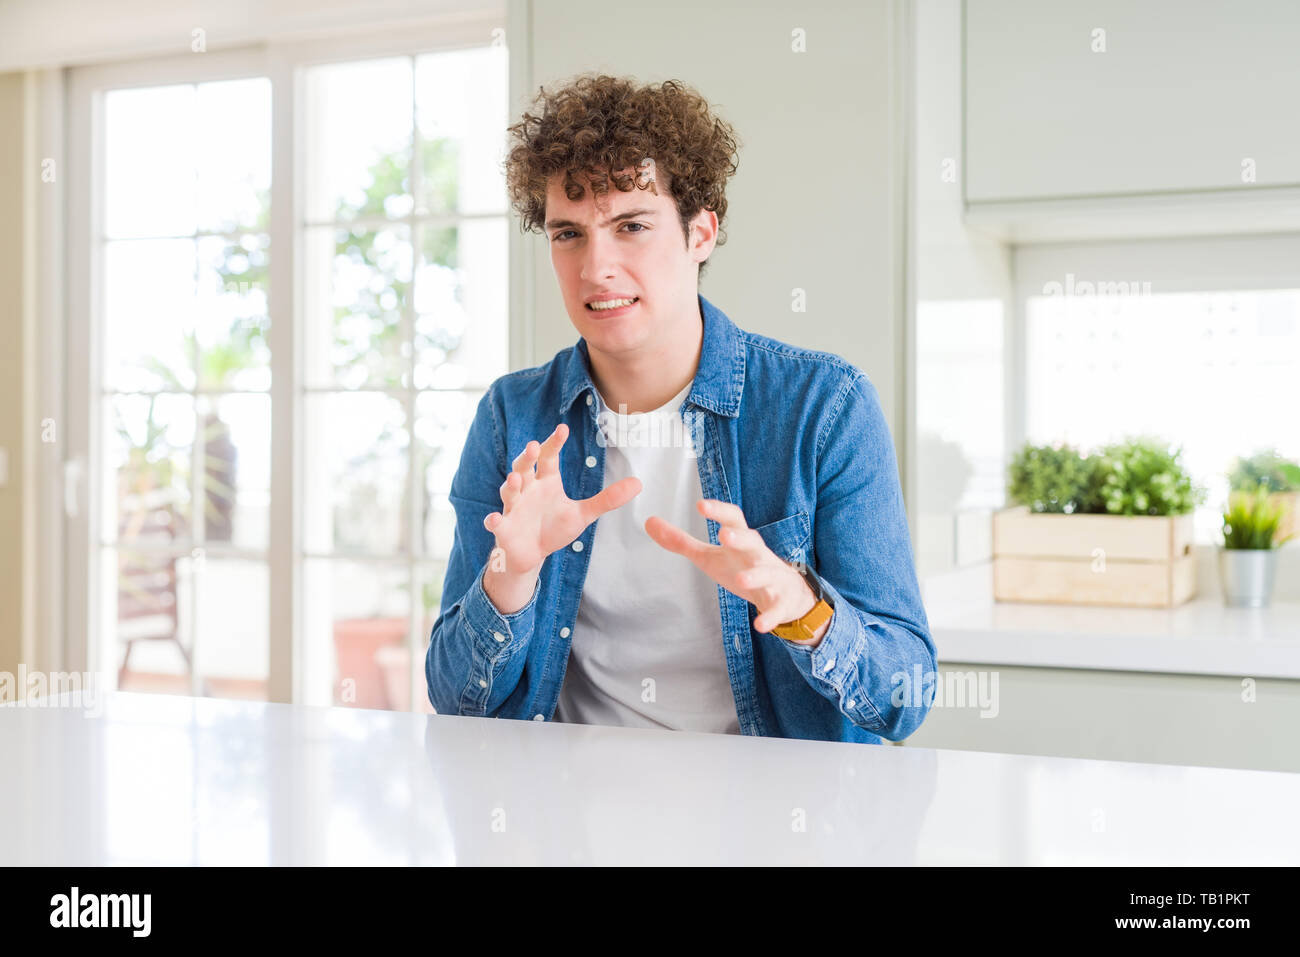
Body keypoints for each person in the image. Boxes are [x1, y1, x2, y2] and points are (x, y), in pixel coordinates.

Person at [425, 73, 935, 744]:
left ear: (702, 232)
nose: (594, 267)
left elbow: (907, 693)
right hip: (562, 819)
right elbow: (455, 702)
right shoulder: (512, 416)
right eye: (568, 234)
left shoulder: (825, 408)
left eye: (631, 225)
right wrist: (510, 576)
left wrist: (804, 611)